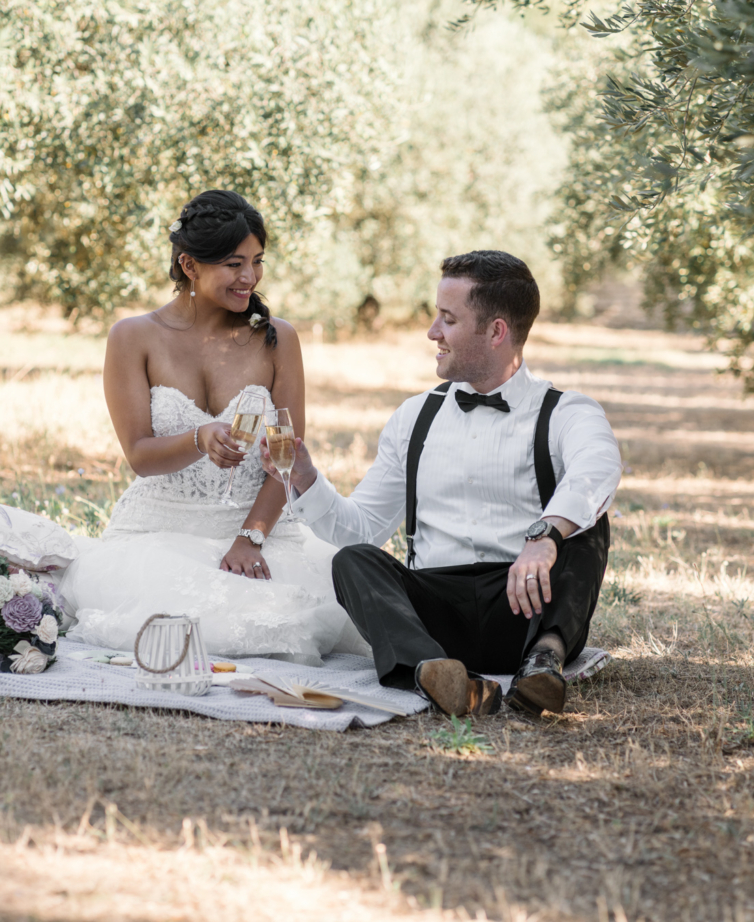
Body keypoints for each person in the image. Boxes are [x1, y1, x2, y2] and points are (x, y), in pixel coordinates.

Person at [264, 250, 621, 716]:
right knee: (353, 561)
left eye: (448, 320)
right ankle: (436, 671)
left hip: (529, 605)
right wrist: (306, 478)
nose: (433, 332)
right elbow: (363, 529)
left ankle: (542, 663)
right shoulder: (414, 417)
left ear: (496, 332)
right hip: (436, 617)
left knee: (588, 524)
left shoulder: (567, 411)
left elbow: (599, 467)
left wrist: (546, 536)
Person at [59, 189, 367, 664]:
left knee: (292, 615)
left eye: (257, 261)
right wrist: (200, 438)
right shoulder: (133, 337)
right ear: (189, 266)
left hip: (259, 530)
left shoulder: (277, 339)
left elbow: (286, 459)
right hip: (158, 531)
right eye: (234, 264)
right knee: (177, 621)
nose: (250, 278)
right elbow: (140, 456)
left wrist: (252, 537)